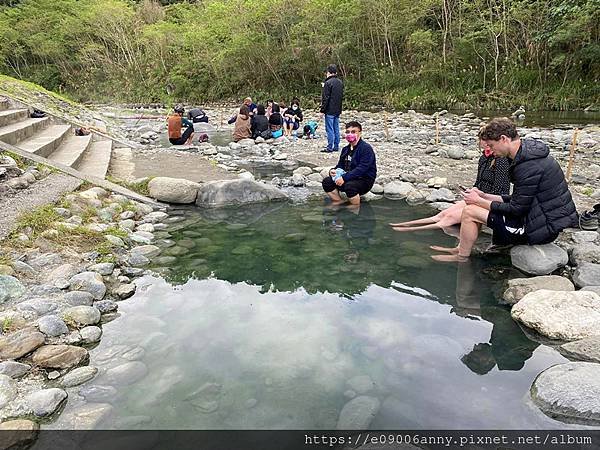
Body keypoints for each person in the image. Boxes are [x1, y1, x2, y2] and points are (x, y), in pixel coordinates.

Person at [431, 117, 578, 262]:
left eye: (491, 145)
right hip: (539, 219)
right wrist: (485, 196)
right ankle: (461, 249)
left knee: (470, 212)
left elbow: (516, 209)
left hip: (540, 229)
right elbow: (520, 198)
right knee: (475, 205)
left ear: (503, 139)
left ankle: (462, 256)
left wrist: (479, 201)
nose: (490, 150)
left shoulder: (527, 167)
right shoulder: (527, 155)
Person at [390, 143, 511, 232]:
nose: (484, 144)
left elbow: (500, 191)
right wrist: (470, 192)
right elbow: (478, 182)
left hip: (487, 201)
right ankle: (406, 224)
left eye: (487, 142)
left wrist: (479, 199)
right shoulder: (484, 158)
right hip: (477, 197)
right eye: (482, 141)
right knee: (443, 214)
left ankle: (409, 230)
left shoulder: (501, 160)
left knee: (450, 218)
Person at [322, 121, 376, 207]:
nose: (350, 134)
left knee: (350, 186)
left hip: (364, 180)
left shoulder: (366, 149)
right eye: (348, 132)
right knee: (327, 182)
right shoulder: (345, 149)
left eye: (353, 132)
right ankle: (338, 203)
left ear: (360, 133)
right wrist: (333, 171)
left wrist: (344, 178)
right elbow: (340, 165)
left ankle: (355, 208)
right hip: (348, 177)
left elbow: (362, 168)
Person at [320, 64, 343, 152]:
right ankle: (336, 146)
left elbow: (326, 98)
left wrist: (322, 110)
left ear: (328, 72)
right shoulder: (340, 82)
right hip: (337, 109)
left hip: (329, 110)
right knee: (336, 128)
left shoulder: (328, 83)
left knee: (329, 128)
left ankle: (330, 147)